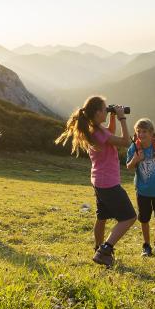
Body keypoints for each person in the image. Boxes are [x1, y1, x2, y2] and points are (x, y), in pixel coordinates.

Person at [56, 96, 135, 267]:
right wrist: (122, 118)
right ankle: (105, 250)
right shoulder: (97, 132)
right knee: (129, 217)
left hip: (99, 180)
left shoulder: (95, 128)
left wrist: (113, 116)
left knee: (102, 217)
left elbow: (109, 134)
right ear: (98, 112)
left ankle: (98, 248)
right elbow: (125, 142)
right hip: (108, 182)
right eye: (105, 109)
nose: (107, 111)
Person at [126, 118, 155, 258]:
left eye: (144, 131)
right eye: (138, 131)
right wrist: (135, 159)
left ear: (152, 133)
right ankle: (146, 246)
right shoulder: (134, 147)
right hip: (142, 191)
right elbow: (128, 167)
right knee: (144, 219)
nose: (141, 134)